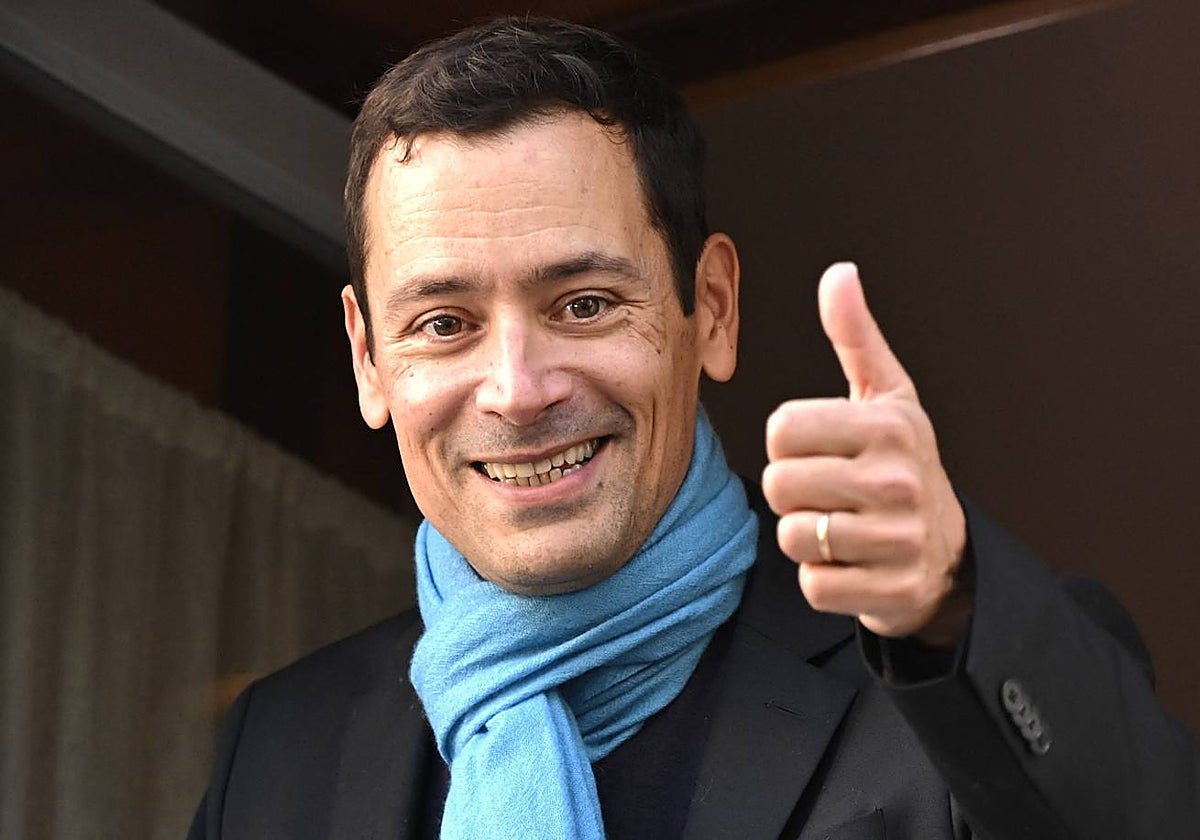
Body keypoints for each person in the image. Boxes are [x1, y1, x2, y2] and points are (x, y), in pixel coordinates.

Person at [188, 16, 1198, 840]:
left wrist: (952, 605)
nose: (517, 389)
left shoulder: (939, 680)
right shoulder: (282, 750)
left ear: (709, 308)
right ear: (370, 358)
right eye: (444, 324)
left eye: (583, 304)